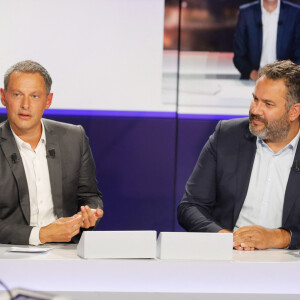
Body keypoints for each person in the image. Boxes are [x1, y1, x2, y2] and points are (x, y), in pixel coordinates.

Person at [178, 60, 300, 250]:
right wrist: (224, 238)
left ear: (294, 112)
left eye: (268, 104)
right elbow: (190, 207)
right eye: (255, 99)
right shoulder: (226, 135)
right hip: (230, 260)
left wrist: (279, 237)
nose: (255, 110)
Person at [0, 60, 103, 245]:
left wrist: (89, 213)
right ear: (3, 96)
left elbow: (89, 196)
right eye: (17, 94)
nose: (25, 104)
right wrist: (40, 235)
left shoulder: (74, 138)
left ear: (48, 101)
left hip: (65, 254)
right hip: (7, 255)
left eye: (35, 96)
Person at [233, 0, 300, 80]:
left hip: (285, 81)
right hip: (252, 80)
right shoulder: (246, 12)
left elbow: (298, 55)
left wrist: (284, 76)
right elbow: (239, 56)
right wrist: (252, 73)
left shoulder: (295, 13)